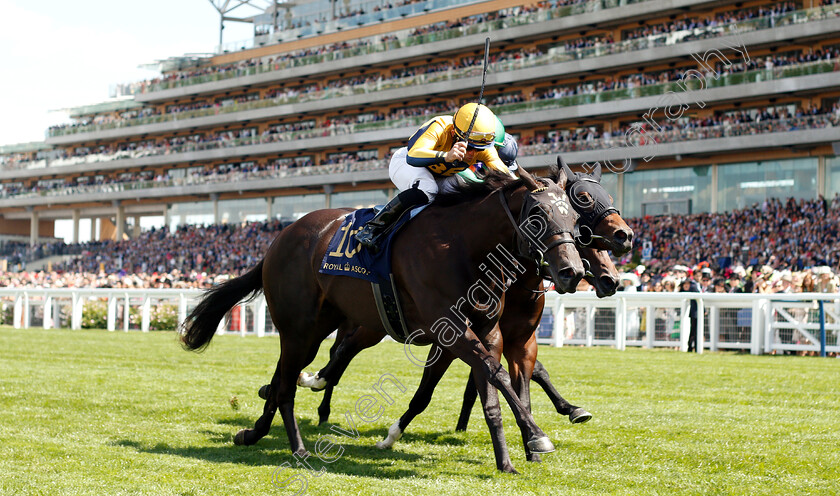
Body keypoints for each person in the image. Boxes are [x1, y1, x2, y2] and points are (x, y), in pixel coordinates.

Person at [354, 103, 513, 251]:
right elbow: (413, 156)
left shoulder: (483, 149)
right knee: (428, 188)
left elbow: (507, 177)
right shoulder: (440, 126)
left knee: (466, 188)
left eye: (479, 148)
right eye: (470, 147)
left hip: (440, 175)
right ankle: (373, 228)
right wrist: (446, 156)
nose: (473, 154)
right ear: (454, 133)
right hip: (407, 164)